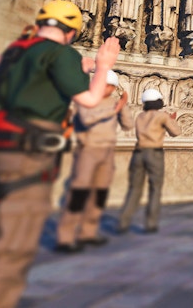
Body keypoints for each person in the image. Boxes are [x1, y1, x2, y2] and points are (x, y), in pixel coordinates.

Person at [0, 0, 120, 308]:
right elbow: (90, 99)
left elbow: (36, 78)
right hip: (29, 156)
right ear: (72, 32)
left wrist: (80, 67)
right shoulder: (61, 54)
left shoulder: (16, 50)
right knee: (10, 250)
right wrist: (104, 64)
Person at [55, 70, 132, 253]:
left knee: (100, 193)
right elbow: (87, 119)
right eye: (105, 85)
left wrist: (123, 107)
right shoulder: (86, 100)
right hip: (88, 150)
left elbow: (128, 125)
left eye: (111, 86)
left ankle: (88, 232)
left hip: (107, 152)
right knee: (79, 193)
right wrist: (114, 109)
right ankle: (65, 237)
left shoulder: (114, 103)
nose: (108, 89)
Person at [116, 89, 181, 234]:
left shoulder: (140, 116)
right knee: (155, 189)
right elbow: (175, 132)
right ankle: (150, 224)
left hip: (138, 153)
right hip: (154, 153)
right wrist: (172, 119)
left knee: (134, 189)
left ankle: (123, 222)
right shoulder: (162, 116)